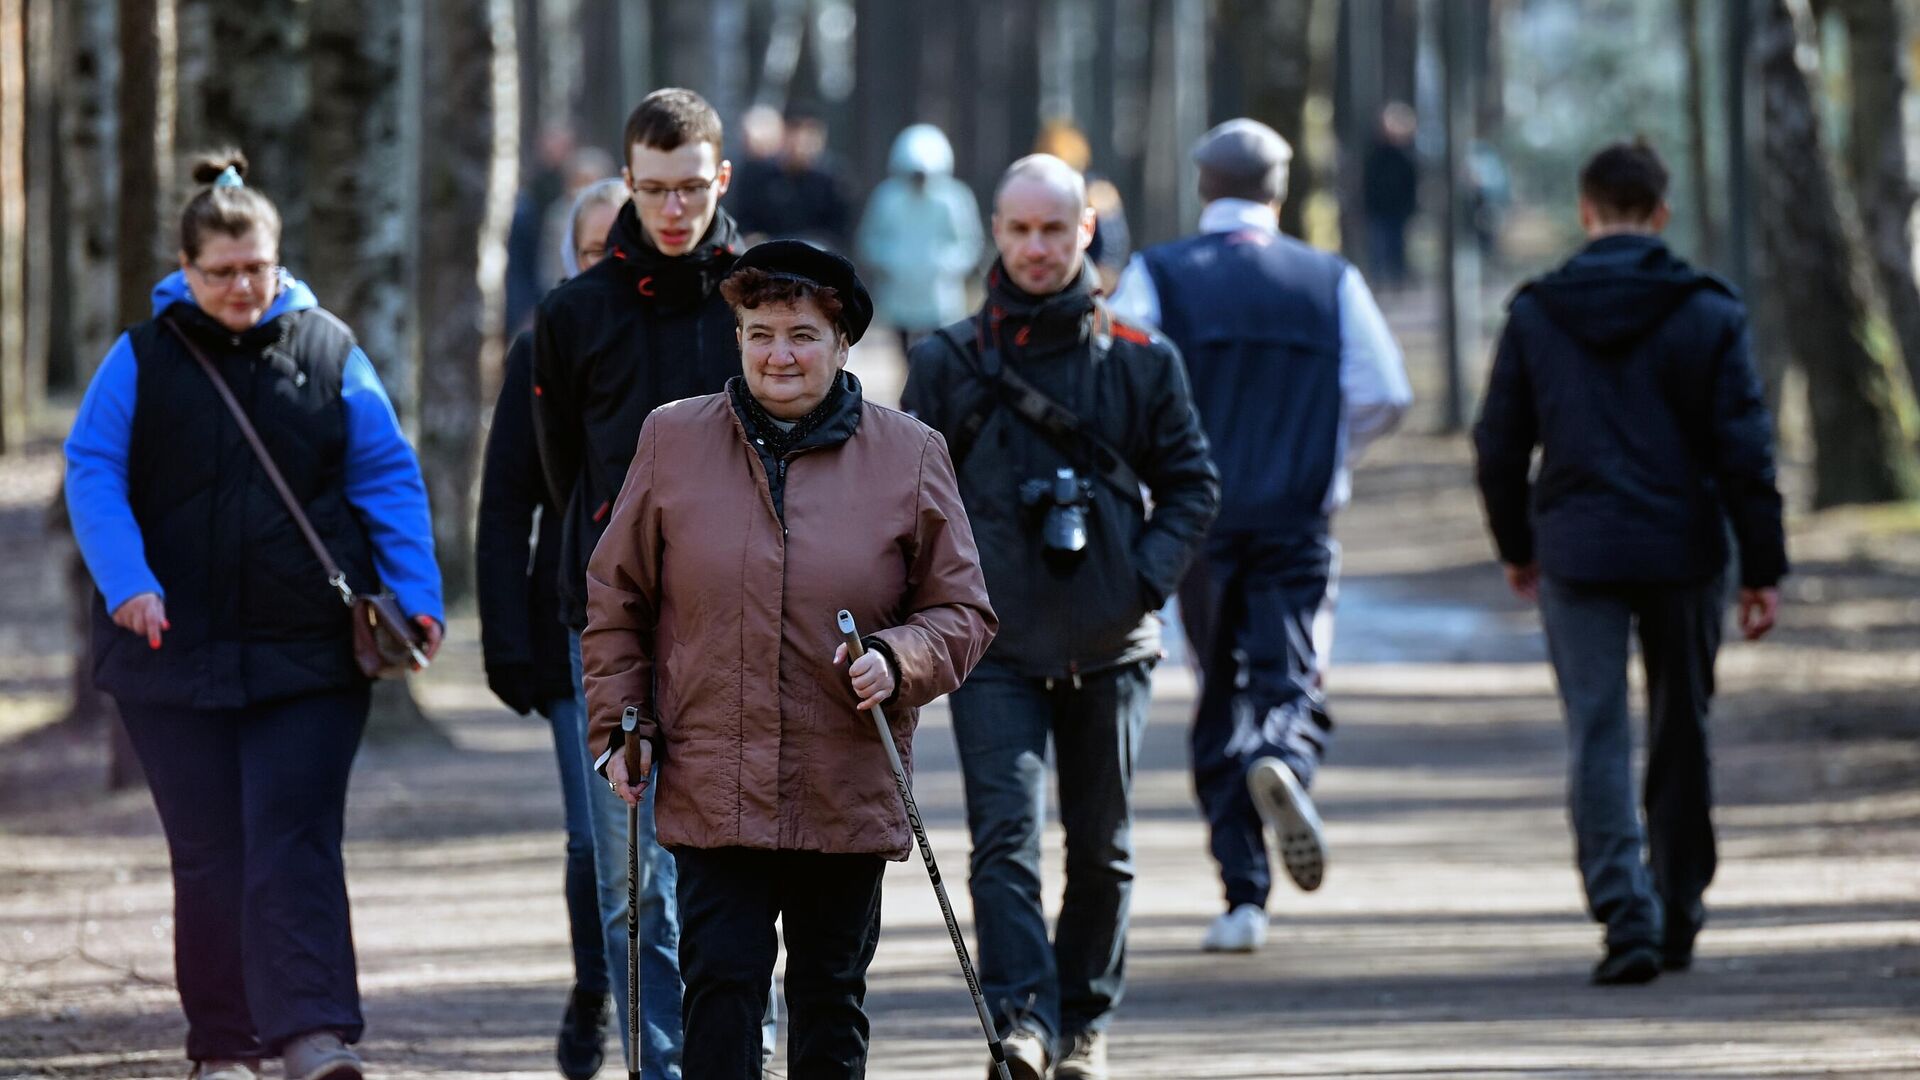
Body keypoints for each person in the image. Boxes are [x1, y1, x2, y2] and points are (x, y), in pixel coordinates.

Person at [63, 151, 443, 1080]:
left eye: (256, 269)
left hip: (309, 651)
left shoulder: (327, 349)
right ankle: (224, 1045)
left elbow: (386, 474)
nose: (240, 288)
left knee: (294, 838)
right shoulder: (142, 357)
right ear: (184, 272)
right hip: (171, 650)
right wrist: (126, 581)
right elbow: (92, 468)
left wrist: (418, 595)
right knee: (208, 855)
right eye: (220, 272)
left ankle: (314, 1033)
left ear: (279, 262)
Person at [583, 240, 997, 1079]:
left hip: (840, 779)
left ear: (843, 346)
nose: (780, 354)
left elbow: (963, 612)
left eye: (803, 334)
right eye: (760, 332)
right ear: (736, 338)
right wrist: (621, 725)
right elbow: (616, 599)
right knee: (721, 989)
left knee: (829, 999)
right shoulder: (673, 439)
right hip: (713, 778)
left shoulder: (910, 452)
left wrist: (896, 656)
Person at [902, 155, 1219, 1080]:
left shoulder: (1141, 357)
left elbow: (1193, 485)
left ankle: (1084, 1022)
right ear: (994, 233)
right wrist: (928, 623)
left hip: (1113, 646)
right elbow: (906, 503)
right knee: (1004, 840)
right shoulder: (946, 361)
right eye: (1020, 229)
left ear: (1086, 229)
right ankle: (1023, 1023)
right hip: (991, 649)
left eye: (1054, 229)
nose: (1036, 248)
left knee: (1103, 849)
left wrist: (1141, 582)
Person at [1473, 139, 1786, 985]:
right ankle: (1679, 905)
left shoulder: (1538, 312)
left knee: (1598, 731)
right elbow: (1745, 452)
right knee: (1684, 725)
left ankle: (1625, 914)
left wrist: (1519, 547)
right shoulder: (1710, 313)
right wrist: (1764, 566)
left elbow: (1499, 445)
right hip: (1685, 548)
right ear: (1661, 213)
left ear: (1585, 211)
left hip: (1577, 553)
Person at [1110, 118, 1412, 954]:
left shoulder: (1157, 274)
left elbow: (1123, 385)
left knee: (1218, 685)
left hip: (1199, 520)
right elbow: (1387, 390)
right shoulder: (1329, 279)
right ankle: (1284, 755)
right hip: (1298, 517)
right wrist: (1328, 448)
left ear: (1204, 186)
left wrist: (1152, 476)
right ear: (1282, 190)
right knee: (1292, 672)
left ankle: (1243, 893)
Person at [530, 88, 744, 1079]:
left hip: (747, 623)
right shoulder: (575, 314)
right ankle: (659, 1065)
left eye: (692, 188)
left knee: (746, 865)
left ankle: (744, 1048)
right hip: (614, 626)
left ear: (721, 180)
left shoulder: (765, 294)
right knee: (631, 885)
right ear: (627, 181)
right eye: (654, 189)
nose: (674, 209)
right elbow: (561, 470)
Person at [477, 176, 627, 1080]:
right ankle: (596, 985)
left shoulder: (699, 333)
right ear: (570, 257)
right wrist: (508, 641)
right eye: (595, 246)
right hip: (574, 623)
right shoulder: (544, 343)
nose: (609, 260)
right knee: (590, 838)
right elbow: (507, 506)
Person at [856, 124, 983, 356]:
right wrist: (891, 261)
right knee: (905, 355)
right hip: (899, 294)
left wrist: (945, 264)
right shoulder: (888, 197)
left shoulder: (953, 199)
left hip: (940, 296)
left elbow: (969, 243)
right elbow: (869, 240)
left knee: (942, 352)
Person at [1362, 102, 1420, 289]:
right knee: (1378, 248)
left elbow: (1411, 184)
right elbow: (1368, 181)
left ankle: (1397, 282)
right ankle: (1379, 283)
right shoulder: (1375, 153)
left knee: (1397, 248)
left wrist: (1409, 207)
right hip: (1378, 209)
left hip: (1398, 210)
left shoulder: (1406, 155)